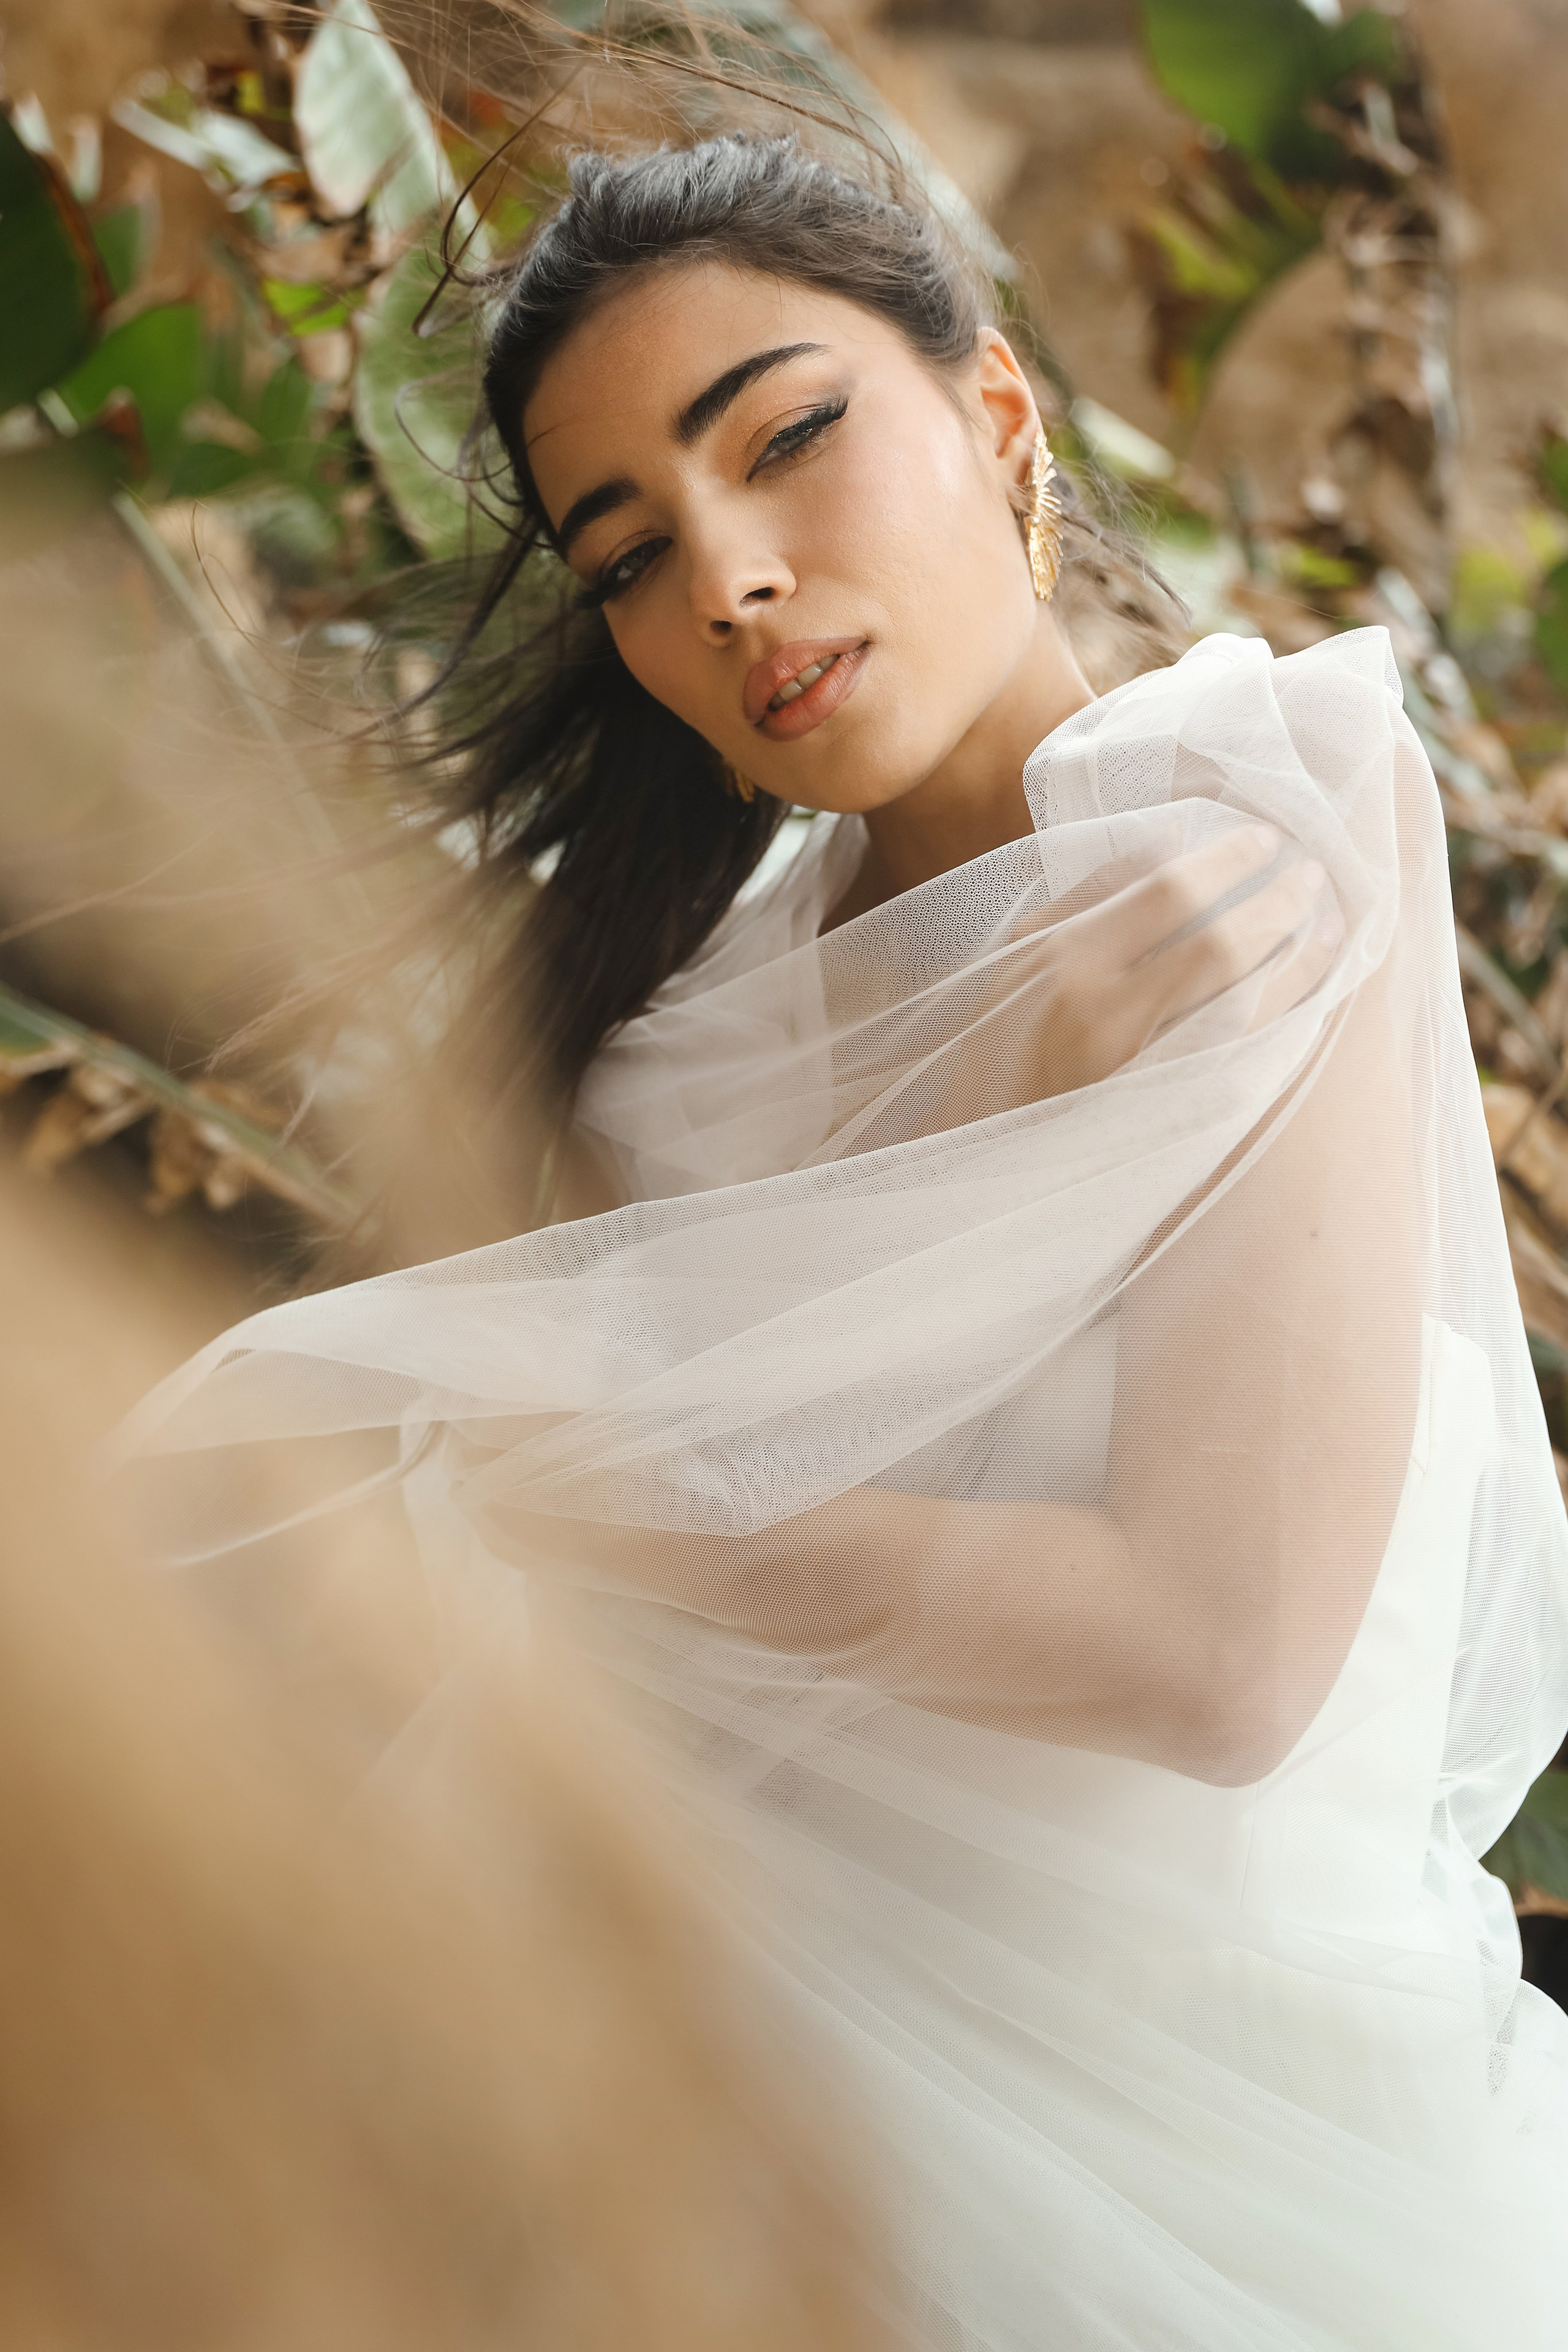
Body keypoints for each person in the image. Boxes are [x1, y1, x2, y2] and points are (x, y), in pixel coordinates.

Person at [130, 135, 1568, 2348]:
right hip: (720, 2102)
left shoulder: (1237, 823)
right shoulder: (678, 1020)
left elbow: (1218, 1659)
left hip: (1197, 2163)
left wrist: (580, 1500)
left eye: (787, 438)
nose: (727, 580)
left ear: (995, 415)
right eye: (632, 553)